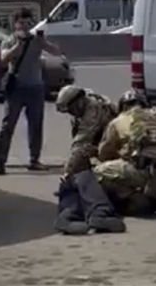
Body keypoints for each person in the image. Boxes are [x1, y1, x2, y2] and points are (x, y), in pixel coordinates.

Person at [94, 89, 156, 216]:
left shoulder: (117, 121)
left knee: (98, 173)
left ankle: (133, 195)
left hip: (142, 169)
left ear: (123, 106)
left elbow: (104, 153)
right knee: (153, 185)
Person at [0, 8, 63, 175]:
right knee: (7, 126)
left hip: (35, 88)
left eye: (27, 23)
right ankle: (0, 163)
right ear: (15, 24)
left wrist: (43, 41)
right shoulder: (9, 41)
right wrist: (18, 46)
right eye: (21, 23)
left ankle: (34, 160)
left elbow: (57, 52)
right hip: (16, 88)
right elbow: (4, 59)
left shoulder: (37, 40)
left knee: (36, 126)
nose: (24, 26)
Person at [53, 85, 125, 235]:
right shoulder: (86, 110)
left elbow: (81, 143)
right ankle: (74, 213)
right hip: (106, 152)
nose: (72, 113)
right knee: (77, 175)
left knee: (79, 172)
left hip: (116, 155)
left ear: (79, 102)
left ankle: (87, 213)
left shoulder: (93, 111)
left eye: (72, 109)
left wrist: (69, 170)